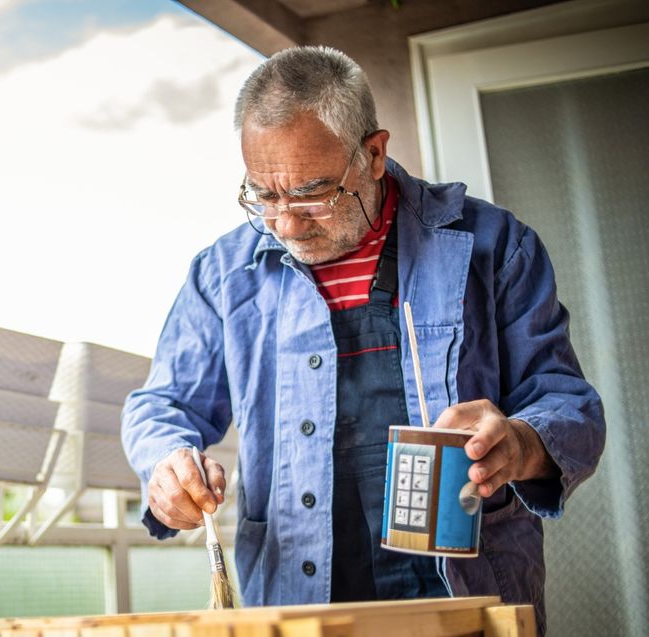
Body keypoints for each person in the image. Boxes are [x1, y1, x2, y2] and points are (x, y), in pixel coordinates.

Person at [120, 46, 604, 635]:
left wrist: (521, 443)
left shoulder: (494, 246)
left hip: (471, 591)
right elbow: (162, 405)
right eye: (264, 196)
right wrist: (166, 464)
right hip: (298, 600)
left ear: (374, 154)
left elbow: (569, 403)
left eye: (314, 193)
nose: (287, 224)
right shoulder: (222, 275)